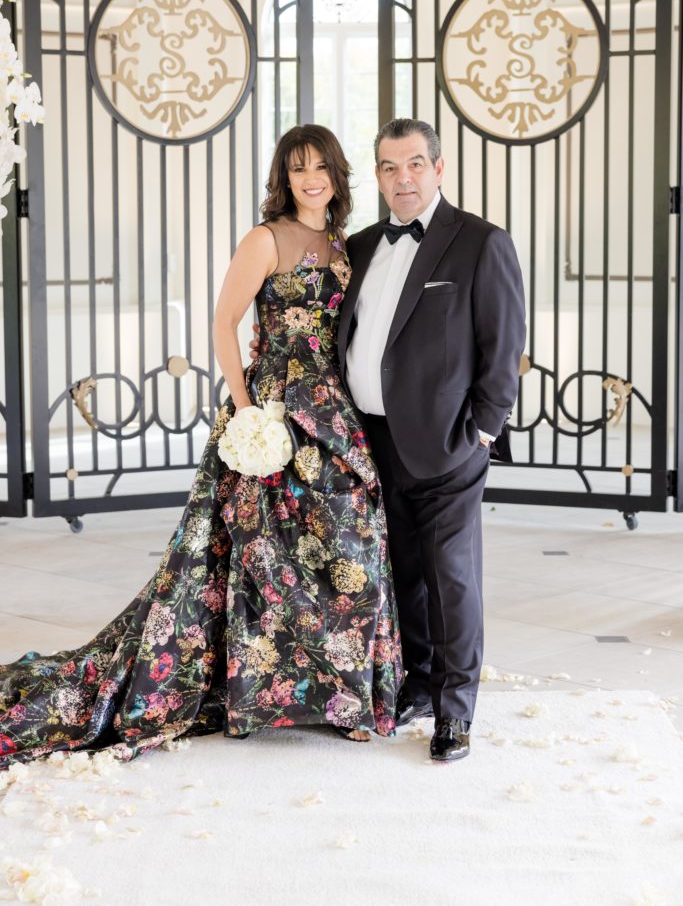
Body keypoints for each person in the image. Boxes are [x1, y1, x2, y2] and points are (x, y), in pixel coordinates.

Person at [0, 125, 402, 769]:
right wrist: (248, 414)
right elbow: (223, 322)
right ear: (284, 177)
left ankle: (345, 696)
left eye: (320, 165)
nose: (310, 177)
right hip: (271, 410)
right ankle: (262, 696)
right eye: (297, 168)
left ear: (336, 172)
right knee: (263, 557)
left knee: (347, 549)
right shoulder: (264, 238)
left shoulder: (345, 243)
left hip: (333, 412)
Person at [339, 118, 526, 762]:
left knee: (451, 577)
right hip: (371, 443)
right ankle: (417, 685)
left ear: (438, 168)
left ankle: (455, 711)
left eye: (415, 164)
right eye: (390, 167)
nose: (403, 178)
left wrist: (483, 427)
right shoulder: (360, 247)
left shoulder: (480, 242)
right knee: (402, 573)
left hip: (449, 443)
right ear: (378, 176)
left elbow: (503, 346)